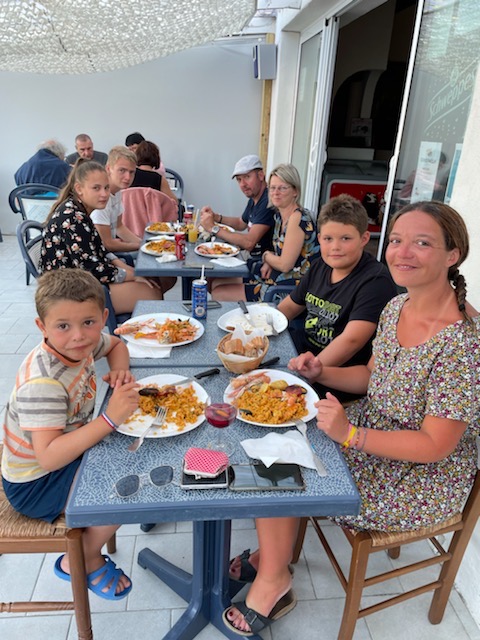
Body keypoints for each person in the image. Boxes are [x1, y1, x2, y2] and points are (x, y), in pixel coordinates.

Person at [223, 200, 480, 636]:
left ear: (452, 254)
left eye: (422, 243)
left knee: (284, 475)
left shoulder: (464, 342)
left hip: (419, 476)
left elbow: (437, 445)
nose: (402, 252)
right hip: (373, 425)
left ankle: (273, 578)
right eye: (396, 241)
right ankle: (274, 560)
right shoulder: (398, 307)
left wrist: (352, 434)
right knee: (277, 444)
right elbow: (372, 377)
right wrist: (323, 371)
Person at [1, 269, 139, 600]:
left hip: (62, 454)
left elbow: (117, 344)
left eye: (89, 323)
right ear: (42, 328)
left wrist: (120, 370)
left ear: (103, 317)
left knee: (131, 451)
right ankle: (81, 559)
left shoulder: (83, 344)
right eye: (63, 326)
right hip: (35, 484)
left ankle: (88, 548)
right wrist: (109, 418)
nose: (78, 335)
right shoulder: (44, 384)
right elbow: (48, 458)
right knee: (132, 483)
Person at [279, 194, 397, 399]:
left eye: (345, 238)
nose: (335, 247)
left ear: (364, 239)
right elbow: (289, 308)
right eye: (328, 239)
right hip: (301, 361)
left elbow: (352, 340)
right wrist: (260, 332)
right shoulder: (319, 267)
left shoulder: (376, 281)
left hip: (336, 385)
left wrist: (308, 375)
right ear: (319, 239)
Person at [39, 159, 165, 314]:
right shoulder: (73, 218)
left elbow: (101, 250)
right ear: (79, 188)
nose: (104, 194)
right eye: (96, 188)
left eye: (106, 187)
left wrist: (128, 271)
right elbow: (93, 270)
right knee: (152, 294)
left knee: (151, 284)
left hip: (80, 282)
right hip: (65, 294)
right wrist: (131, 275)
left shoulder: (78, 209)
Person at [245, 163, 319, 301]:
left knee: (222, 292)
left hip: (292, 291)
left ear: (295, 191)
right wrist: (270, 260)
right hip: (278, 279)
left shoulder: (298, 218)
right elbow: (283, 254)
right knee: (220, 282)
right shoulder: (279, 216)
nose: (275, 193)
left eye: (282, 188)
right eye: (272, 188)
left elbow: (285, 265)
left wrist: (266, 256)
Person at [90, 146, 142, 254]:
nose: (127, 177)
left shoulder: (117, 192)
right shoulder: (101, 197)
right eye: (122, 170)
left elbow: (119, 227)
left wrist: (144, 244)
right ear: (108, 169)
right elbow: (107, 244)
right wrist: (141, 246)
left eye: (131, 172)